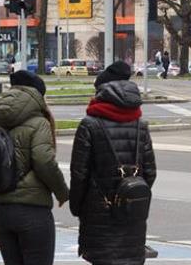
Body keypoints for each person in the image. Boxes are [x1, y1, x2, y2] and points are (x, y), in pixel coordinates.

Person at [70, 61, 157, 265]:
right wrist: (130, 194)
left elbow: (79, 174)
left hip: (99, 212)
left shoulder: (89, 125)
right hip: (132, 212)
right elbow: (150, 172)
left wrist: (78, 207)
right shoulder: (140, 125)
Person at [0, 71, 69, 265]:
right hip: (32, 211)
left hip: (0, 209)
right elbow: (44, 161)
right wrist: (62, 192)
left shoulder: (1, 120)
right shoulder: (39, 123)